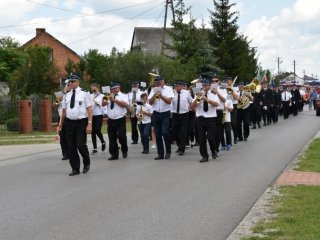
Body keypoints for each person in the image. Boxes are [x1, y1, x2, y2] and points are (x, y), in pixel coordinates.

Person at [57, 74, 93, 176]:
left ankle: (86, 162)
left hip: (81, 122)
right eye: (69, 82)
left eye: (72, 82)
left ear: (78, 82)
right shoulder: (66, 95)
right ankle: (75, 168)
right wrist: (60, 124)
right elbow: (63, 111)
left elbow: (89, 109)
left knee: (80, 145)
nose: (70, 84)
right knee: (71, 146)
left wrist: (89, 124)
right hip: (69, 123)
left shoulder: (85, 93)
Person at [191, 79, 219, 163]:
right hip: (201, 118)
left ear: (209, 86)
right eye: (203, 85)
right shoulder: (198, 94)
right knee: (201, 138)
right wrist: (197, 98)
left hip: (211, 118)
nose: (204, 87)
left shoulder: (214, 94)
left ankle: (213, 150)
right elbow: (192, 107)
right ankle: (204, 156)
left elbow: (216, 104)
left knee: (210, 137)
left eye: (206, 85)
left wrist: (206, 99)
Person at [148, 76, 174, 160]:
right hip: (156, 114)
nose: (158, 83)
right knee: (158, 134)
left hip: (165, 113)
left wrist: (161, 96)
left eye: (159, 81)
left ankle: (168, 151)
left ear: (163, 81)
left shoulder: (168, 89)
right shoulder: (153, 90)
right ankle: (160, 153)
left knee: (165, 132)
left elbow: (169, 102)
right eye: (156, 82)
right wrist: (154, 95)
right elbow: (150, 102)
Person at [102, 82, 129, 160]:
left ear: (119, 88)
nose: (113, 90)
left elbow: (124, 104)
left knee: (122, 136)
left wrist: (113, 100)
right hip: (111, 119)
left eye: (115, 88)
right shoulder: (108, 96)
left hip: (120, 119)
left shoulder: (123, 95)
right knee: (112, 137)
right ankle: (114, 154)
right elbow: (103, 104)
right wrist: (106, 97)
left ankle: (124, 150)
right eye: (112, 88)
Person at [171, 81, 193, 155]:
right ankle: (179, 145)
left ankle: (182, 149)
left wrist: (190, 107)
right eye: (176, 86)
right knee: (175, 132)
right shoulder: (172, 93)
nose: (177, 87)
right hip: (175, 114)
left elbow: (191, 102)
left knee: (183, 132)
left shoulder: (187, 93)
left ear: (181, 86)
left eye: (178, 86)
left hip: (184, 114)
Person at [211, 76, 227, 156]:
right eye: (213, 81)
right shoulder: (208, 90)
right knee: (211, 132)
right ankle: (213, 148)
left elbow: (224, 100)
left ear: (219, 81)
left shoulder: (222, 89)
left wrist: (217, 92)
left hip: (219, 111)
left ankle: (216, 149)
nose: (214, 82)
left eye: (216, 81)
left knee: (218, 132)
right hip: (210, 112)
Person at [90, 83, 106, 155]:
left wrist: (97, 101)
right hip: (92, 115)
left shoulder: (102, 96)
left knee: (97, 130)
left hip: (99, 114)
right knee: (92, 132)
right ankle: (95, 148)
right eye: (92, 87)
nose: (93, 88)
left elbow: (104, 104)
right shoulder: (90, 96)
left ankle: (103, 141)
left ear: (97, 88)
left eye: (94, 87)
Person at [55, 81, 69, 160]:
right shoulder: (60, 95)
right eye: (64, 86)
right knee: (62, 137)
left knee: (68, 137)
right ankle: (65, 154)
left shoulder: (70, 95)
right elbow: (54, 105)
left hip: (68, 118)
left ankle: (71, 153)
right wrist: (58, 100)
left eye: (66, 86)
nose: (65, 88)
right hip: (60, 118)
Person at [225, 77, 239, 144]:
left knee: (233, 123)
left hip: (233, 106)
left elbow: (236, 98)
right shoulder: (224, 89)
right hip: (226, 106)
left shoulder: (235, 88)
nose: (228, 82)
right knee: (227, 125)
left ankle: (235, 136)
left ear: (231, 81)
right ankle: (228, 142)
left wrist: (231, 90)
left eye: (229, 81)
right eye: (227, 81)